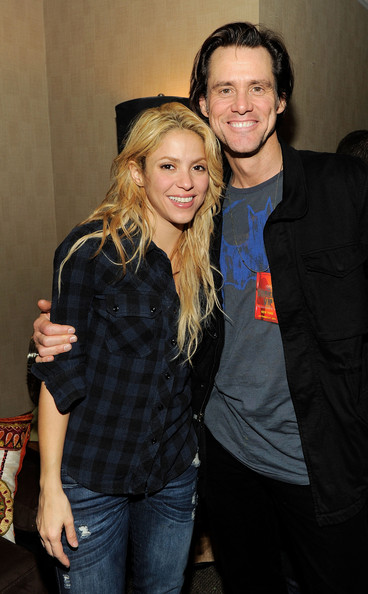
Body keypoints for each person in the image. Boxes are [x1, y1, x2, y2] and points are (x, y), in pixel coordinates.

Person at [33, 22, 368, 594]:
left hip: (316, 459)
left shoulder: (345, 186)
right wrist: (54, 330)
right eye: (224, 89)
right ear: (203, 103)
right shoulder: (200, 213)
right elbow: (133, 296)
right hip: (224, 457)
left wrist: (366, 405)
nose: (241, 104)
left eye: (258, 87)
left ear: (281, 99)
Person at [31, 102, 223, 593]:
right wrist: (49, 486)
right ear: (137, 173)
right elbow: (59, 375)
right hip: (94, 475)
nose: (187, 182)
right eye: (168, 165)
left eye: (198, 167)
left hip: (174, 471)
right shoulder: (90, 252)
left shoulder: (207, 256)